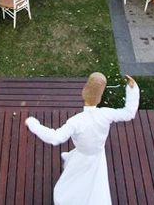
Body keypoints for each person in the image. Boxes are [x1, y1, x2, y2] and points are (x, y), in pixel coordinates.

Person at [25, 73, 139, 205]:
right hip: (97, 155)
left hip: (83, 156)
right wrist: (132, 89)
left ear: (84, 92)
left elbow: (55, 137)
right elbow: (129, 113)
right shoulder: (106, 114)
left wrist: (34, 124)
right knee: (95, 184)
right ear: (100, 97)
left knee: (74, 181)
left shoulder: (76, 121)